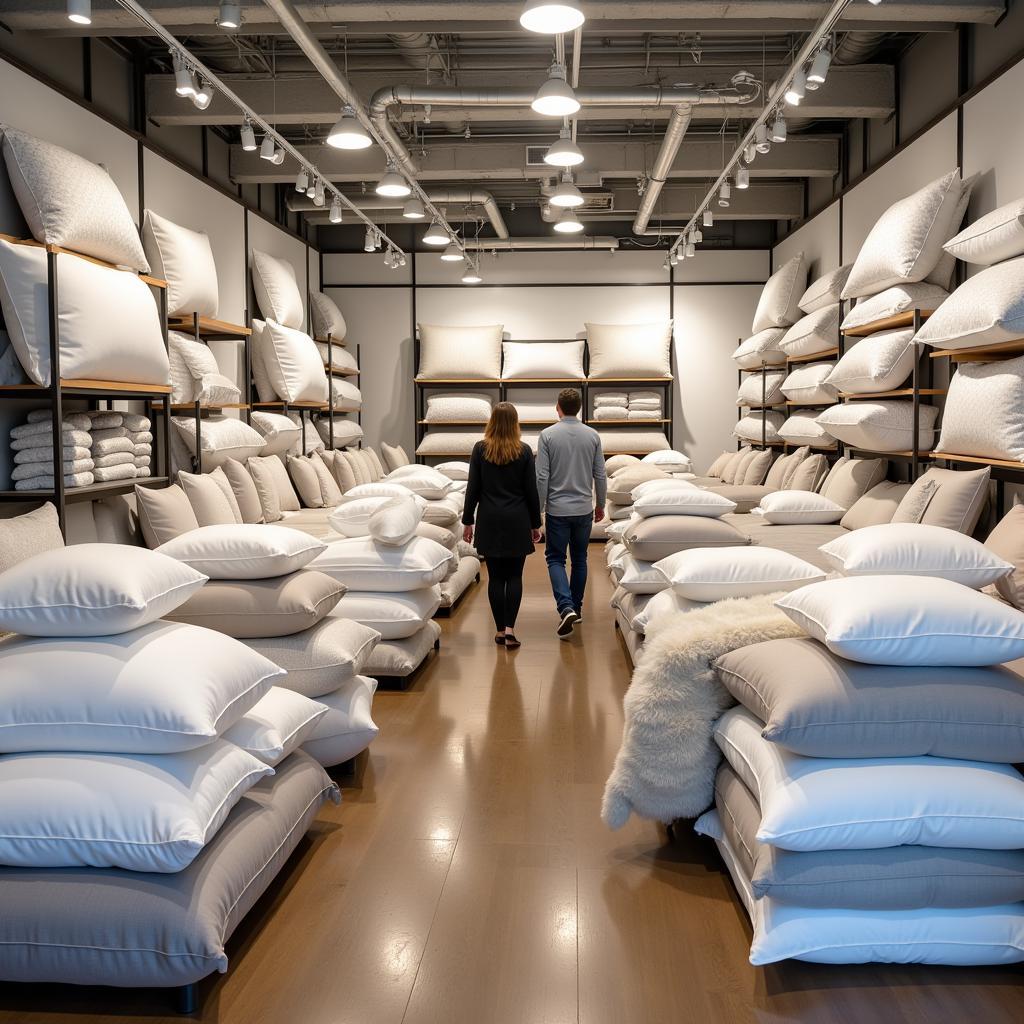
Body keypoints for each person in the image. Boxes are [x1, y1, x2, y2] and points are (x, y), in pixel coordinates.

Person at [462, 402, 542, 649]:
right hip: (517, 520)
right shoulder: (525, 451)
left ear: (492, 422)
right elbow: (531, 491)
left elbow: (473, 488)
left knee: (495, 578)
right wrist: (535, 523)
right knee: (515, 576)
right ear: (515, 423)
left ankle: (498, 630)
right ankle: (510, 629)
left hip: (489, 520)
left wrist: (468, 521)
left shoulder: (480, 450)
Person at [535, 387, 606, 639]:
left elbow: (542, 476)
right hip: (583, 508)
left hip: (557, 509)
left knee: (555, 559)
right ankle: (576, 607)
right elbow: (600, 473)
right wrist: (601, 504)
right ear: (579, 408)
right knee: (580, 559)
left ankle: (565, 607)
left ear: (558, 407)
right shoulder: (593, 435)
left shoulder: (547, 436)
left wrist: (539, 509)